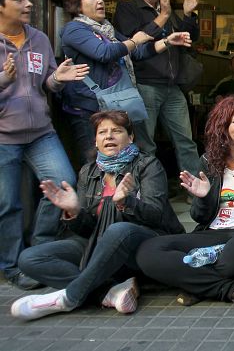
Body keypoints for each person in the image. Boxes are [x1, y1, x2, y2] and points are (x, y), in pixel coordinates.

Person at [10, 110, 184, 320]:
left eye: (117, 131)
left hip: (144, 244)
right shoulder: (88, 171)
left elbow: (156, 215)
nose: (108, 136)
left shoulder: (148, 165)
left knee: (118, 230)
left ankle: (68, 298)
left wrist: (125, 202)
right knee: (30, 258)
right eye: (102, 132)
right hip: (98, 243)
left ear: (130, 138)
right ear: (96, 140)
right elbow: (88, 229)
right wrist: (74, 212)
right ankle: (108, 291)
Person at [136, 96, 234, 312]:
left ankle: (196, 284)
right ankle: (228, 287)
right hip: (214, 232)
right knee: (149, 251)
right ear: (223, 125)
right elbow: (200, 217)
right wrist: (203, 197)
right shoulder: (208, 160)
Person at [0, 0, 89, 290]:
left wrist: (59, 78)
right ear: (1, 7)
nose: (28, 5)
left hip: (41, 133)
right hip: (3, 138)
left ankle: (39, 249)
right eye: (19, 0)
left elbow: (47, 84)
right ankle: (12, 267)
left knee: (65, 183)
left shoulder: (38, 38)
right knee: (8, 204)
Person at [60, 0, 192, 164]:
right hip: (87, 108)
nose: (100, 1)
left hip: (110, 107)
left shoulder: (107, 29)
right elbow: (104, 53)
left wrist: (168, 41)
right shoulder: (73, 29)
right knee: (93, 163)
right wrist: (135, 40)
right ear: (77, 5)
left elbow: (136, 52)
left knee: (119, 162)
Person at [112, 0, 202, 177]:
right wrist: (162, 15)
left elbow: (188, 38)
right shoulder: (128, 8)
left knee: (186, 142)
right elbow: (133, 43)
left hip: (172, 86)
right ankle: (149, 191)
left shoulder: (164, 10)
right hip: (145, 84)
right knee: (146, 144)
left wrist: (189, 15)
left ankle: (196, 193)